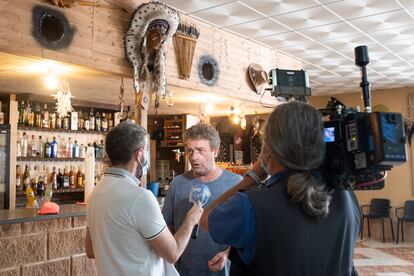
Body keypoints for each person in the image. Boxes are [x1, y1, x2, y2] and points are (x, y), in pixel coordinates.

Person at [200, 101, 361, 276]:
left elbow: (206, 218)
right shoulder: (347, 196)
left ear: (269, 147)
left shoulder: (249, 206)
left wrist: (253, 177)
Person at [85, 122, 203, 276]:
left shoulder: (96, 193)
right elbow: (172, 253)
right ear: (139, 154)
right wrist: (190, 220)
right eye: (146, 151)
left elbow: (91, 250)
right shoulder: (141, 197)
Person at [162, 123, 243, 276]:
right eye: (190, 151)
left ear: (215, 151)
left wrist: (227, 253)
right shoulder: (177, 184)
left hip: (222, 271)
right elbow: (167, 227)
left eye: (200, 150)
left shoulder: (235, 183)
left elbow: (242, 231)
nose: (194, 157)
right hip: (182, 271)